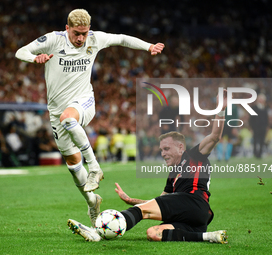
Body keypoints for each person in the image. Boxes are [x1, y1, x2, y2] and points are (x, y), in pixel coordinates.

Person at [15, 9, 165, 226]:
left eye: (84, 33)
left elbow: (121, 39)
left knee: (69, 118)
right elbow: (21, 51)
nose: (81, 39)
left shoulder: (95, 39)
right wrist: (33, 57)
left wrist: (148, 46)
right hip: (56, 110)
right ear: (67, 28)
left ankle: (95, 168)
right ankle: (92, 202)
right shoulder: (53, 40)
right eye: (77, 33)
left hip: (83, 101)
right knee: (72, 162)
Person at [67, 90, 228, 243]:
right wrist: (130, 200)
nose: (163, 154)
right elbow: (159, 202)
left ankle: (96, 231)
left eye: (167, 149)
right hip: (196, 218)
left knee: (141, 211)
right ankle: (207, 237)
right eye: (161, 150)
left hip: (195, 202)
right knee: (154, 233)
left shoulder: (194, 155)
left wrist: (221, 110)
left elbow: (215, 136)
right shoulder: (173, 175)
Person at [249, 93, 269, 158]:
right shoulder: (254, 108)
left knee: (262, 141)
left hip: (263, 128)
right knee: (255, 141)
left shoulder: (265, 108)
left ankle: (260, 154)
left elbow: (266, 119)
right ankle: (255, 153)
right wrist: (252, 127)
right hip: (256, 127)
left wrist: (266, 126)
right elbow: (251, 118)